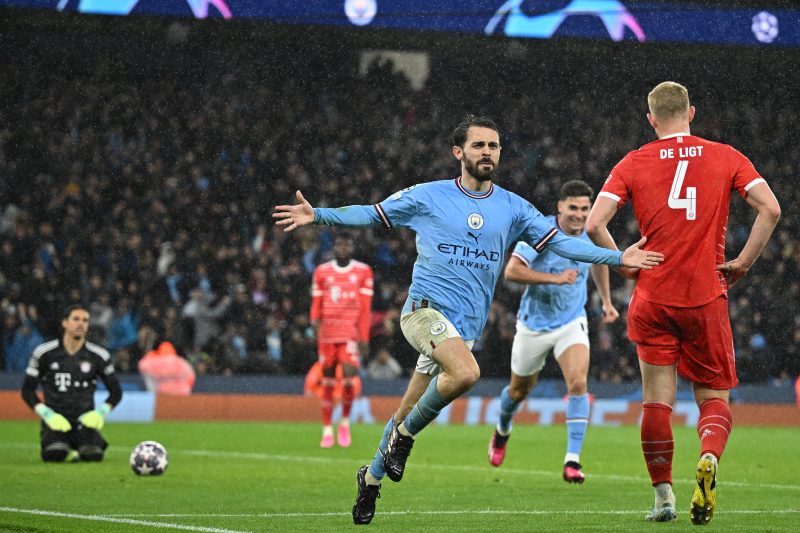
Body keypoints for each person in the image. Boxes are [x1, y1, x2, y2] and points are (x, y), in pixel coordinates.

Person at [273, 115, 663, 525]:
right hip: (424, 311)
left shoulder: (514, 208)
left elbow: (566, 245)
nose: (487, 153)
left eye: (493, 146)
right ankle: (403, 441)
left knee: (408, 408)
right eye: (478, 146)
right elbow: (372, 214)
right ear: (459, 152)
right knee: (466, 373)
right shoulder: (429, 196)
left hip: (464, 329)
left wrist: (617, 257)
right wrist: (318, 215)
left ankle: (370, 479)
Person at [585, 81, 781, 524]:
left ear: (651, 119)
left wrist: (622, 259)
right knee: (714, 396)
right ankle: (708, 457)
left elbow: (595, 223)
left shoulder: (633, 162)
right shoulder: (726, 156)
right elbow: (771, 209)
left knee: (656, 401)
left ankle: (663, 499)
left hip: (652, 295)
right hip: (705, 295)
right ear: (692, 113)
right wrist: (744, 262)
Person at [488, 180, 619, 483]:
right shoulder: (540, 232)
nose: (579, 215)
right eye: (573, 207)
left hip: (572, 322)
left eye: (585, 209)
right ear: (560, 207)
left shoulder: (593, 232)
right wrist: (555, 278)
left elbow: (599, 262)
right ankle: (502, 429)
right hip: (533, 325)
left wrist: (607, 301)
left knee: (578, 384)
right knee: (518, 390)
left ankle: (572, 460)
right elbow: (512, 272)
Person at [20, 304, 123, 462]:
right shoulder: (45, 353)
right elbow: (27, 390)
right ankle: (60, 444)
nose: (81, 323)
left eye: (85, 320)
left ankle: (85, 443)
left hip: (84, 423)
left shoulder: (98, 355)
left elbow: (116, 392)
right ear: (65, 323)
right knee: (55, 454)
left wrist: (100, 413)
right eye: (76, 319)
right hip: (56, 423)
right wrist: (48, 415)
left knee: (93, 456)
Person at [309, 231, 374, 448]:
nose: (343, 249)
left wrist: (364, 337)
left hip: (350, 334)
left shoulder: (363, 272)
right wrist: (316, 331)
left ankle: (344, 423)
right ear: (334, 247)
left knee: (348, 377)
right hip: (327, 334)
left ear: (351, 248)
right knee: (327, 381)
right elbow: (316, 307)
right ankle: (327, 430)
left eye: (346, 245)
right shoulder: (321, 272)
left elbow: (365, 309)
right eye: (339, 245)